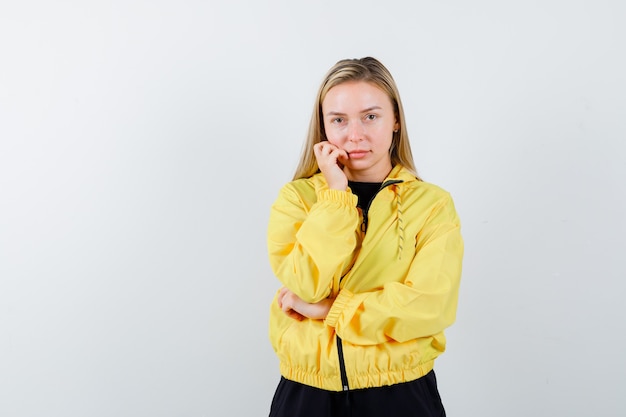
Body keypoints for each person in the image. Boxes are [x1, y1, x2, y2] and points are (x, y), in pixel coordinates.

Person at [266, 56, 464, 417]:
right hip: (306, 397)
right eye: (338, 120)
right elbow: (307, 283)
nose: (354, 135)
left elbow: (428, 306)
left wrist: (331, 310)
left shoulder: (433, 205)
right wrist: (336, 195)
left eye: (370, 117)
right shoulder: (297, 199)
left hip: (400, 396)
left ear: (395, 122)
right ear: (323, 127)